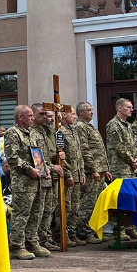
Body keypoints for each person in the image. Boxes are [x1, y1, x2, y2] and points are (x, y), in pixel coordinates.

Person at [4, 105, 47, 260]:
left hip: (37, 180)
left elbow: (37, 155)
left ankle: (32, 242)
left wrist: (44, 169)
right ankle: (17, 246)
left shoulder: (32, 132)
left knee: (36, 213)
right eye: (29, 116)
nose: (32, 118)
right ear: (20, 117)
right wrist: (30, 170)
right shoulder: (12, 133)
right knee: (21, 214)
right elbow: (13, 158)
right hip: (23, 182)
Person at [105, 98, 137, 240]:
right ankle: (118, 229)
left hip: (131, 168)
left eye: (132, 107)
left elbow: (134, 146)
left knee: (131, 199)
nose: (131, 109)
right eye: (128, 107)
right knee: (120, 199)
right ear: (119, 108)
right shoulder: (114, 125)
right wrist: (132, 160)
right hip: (119, 168)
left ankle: (129, 227)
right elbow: (119, 147)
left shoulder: (128, 125)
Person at [73, 102, 109, 245]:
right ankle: (85, 232)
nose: (92, 112)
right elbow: (85, 150)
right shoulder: (80, 127)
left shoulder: (89, 126)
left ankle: (93, 230)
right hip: (91, 171)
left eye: (92, 109)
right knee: (88, 202)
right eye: (89, 110)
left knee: (95, 202)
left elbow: (98, 149)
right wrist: (93, 169)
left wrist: (105, 169)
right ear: (81, 113)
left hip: (99, 169)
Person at [30, 103, 61, 251]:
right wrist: (49, 168)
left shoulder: (44, 132)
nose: (45, 117)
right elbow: (36, 157)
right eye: (41, 114)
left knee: (48, 209)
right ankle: (37, 240)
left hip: (48, 175)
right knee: (39, 211)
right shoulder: (32, 132)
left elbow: (46, 155)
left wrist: (56, 158)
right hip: (39, 176)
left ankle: (45, 238)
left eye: (45, 114)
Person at [56, 106, 87, 247]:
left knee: (75, 207)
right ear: (63, 115)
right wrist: (68, 173)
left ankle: (71, 233)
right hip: (68, 176)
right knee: (65, 207)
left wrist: (81, 172)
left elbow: (78, 155)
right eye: (72, 114)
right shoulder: (60, 131)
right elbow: (62, 156)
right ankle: (62, 235)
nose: (75, 117)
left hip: (77, 174)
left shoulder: (73, 130)